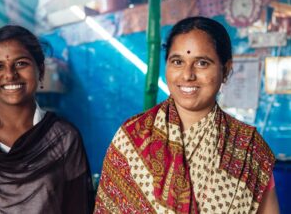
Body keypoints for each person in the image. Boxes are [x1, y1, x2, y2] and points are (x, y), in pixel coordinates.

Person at [94, 17, 279, 213]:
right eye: (177, 61)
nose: (187, 75)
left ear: (226, 70)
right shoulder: (131, 138)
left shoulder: (248, 149)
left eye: (201, 63)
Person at [0, 25, 94, 214]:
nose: (10, 74)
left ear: (41, 71)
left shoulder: (64, 138)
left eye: (21, 63)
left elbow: (77, 208)